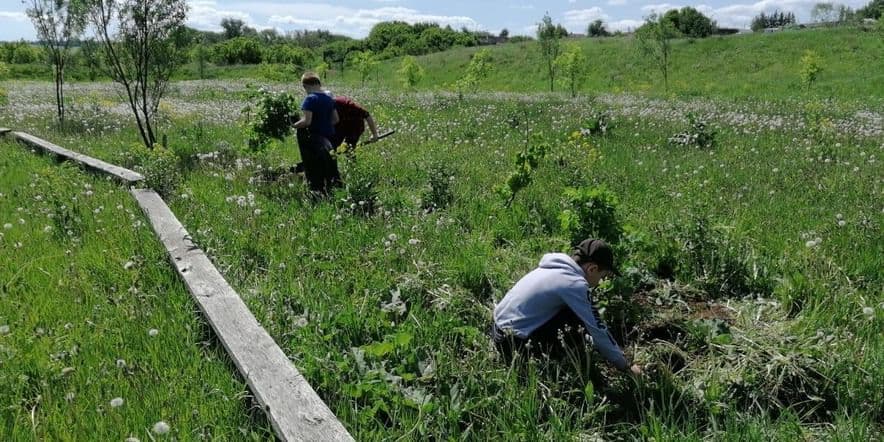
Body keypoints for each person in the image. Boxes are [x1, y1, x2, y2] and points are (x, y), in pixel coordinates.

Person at [492, 239, 642, 375]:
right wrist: (625, 366)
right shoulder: (574, 284)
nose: (600, 282)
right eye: (602, 276)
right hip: (513, 344)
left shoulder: (553, 268)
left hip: (497, 329)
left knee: (574, 313)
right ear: (592, 269)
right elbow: (597, 328)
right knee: (577, 320)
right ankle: (563, 365)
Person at [292, 72, 340, 194]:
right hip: (330, 138)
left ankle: (317, 193)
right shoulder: (329, 99)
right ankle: (334, 190)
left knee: (314, 168)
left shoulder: (310, 99)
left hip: (315, 139)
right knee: (330, 166)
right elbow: (336, 119)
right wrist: (325, 124)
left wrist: (294, 125)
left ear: (305, 86)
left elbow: (307, 121)